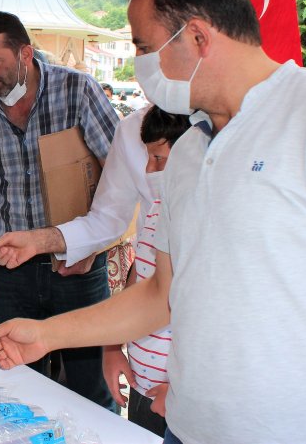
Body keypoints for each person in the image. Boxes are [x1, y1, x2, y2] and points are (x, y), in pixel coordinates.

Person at [0, 0, 306, 444]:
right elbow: (161, 296)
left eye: (143, 46)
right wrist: (46, 334)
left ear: (197, 36)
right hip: (187, 429)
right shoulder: (190, 152)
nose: (139, 64)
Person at [0, 11, 119, 409]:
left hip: (76, 267)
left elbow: (120, 174)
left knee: (90, 389)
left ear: (25, 53)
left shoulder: (77, 91)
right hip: (11, 273)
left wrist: (89, 247)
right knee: (16, 386)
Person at [102, 106, 189, 437]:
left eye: (160, 160)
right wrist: (113, 348)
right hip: (143, 384)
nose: (150, 170)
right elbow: (137, 284)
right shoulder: (155, 214)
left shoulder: (205, 228)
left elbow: (216, 322)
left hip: (180, 396)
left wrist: (183, 390)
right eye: (149, 158)